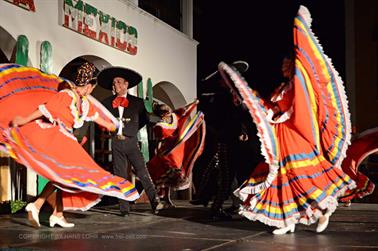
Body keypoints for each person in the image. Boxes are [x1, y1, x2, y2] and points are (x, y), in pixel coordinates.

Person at [220, 5, 356, 234]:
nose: (282, 65)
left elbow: (299, 107)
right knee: (282, 178)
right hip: (280, 138)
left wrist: (299, 29)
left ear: (293, 64)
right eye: (283, 63)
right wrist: (245, 93)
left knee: (302, 176)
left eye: (286, 62)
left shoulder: (297, 86)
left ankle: (323, 211)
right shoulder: (280, 89)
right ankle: (288, 220)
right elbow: (270, 106)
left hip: (295, 136)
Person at [0, 62, 139, 228]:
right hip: (56, 137)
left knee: (65, 177)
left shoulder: (83, 102)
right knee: (71, 174)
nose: (92, 90)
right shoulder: (66, 95)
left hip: (67, 139)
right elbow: (44, 109)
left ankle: (57, 214)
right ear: (88, 85)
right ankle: (37, 204)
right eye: (92, 87)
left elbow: (97, 118)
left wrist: (112, 126)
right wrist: (23, 120)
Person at [98, 66, 164, 216]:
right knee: (120, 175)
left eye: (119, 82)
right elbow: (101, 118)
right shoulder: (107, 102)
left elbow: (144, 120)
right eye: (114, 83)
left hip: (131, 142)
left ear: (126, 84)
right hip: (116, 142)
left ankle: (155, 202)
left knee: (143, 172)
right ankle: (124, 208)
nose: (116, 85)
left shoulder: (138, 102)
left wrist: (131, 130)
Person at [147, 100, 205, 207]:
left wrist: (194, 103)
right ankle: (165, 198)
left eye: (169, 111)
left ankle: (167, 198)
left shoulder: (174, 116)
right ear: (163, 115)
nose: (170, 113)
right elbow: (159, 141)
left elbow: (185, 110)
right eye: (167, 113)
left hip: (178, 150)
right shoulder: (160, 126)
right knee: (168, 175)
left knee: (173, 174)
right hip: (169, 152)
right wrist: (158, 153)